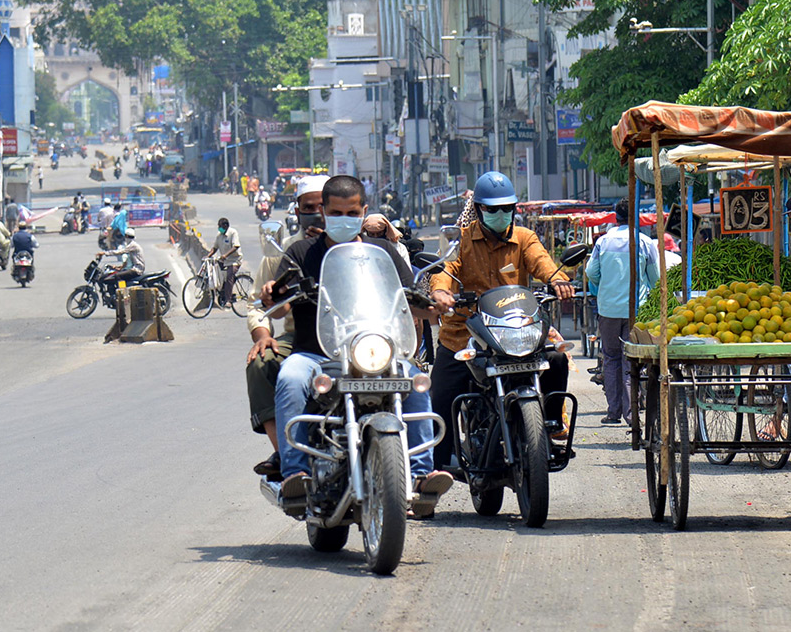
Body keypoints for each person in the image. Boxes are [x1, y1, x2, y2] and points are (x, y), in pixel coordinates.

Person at [262, 175, 451, 514]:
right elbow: (279, 305)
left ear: (363, 211)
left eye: (352, 212)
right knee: (289, 378)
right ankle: (296, 475)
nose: (344, 219)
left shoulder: (382, 251)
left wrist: (434, 300)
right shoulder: (301, 252)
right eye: (336, 212)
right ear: (323, 212)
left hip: (374, 351)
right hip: (316, 355)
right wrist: (273, 295)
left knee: (417, 380)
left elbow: (412, 300)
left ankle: (421, 475)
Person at [429, 171, 576, 471]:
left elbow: (542, 262)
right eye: (493, 209)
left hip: (516, 331)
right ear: (480, 209)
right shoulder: (462, 240)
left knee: (557, 359)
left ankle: (547, 425)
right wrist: (442, 291)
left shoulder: (524, 238)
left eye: (506, 208)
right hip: (466, 335)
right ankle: (433, 472)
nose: (500, 214)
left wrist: (557, 280)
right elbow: (445, 268)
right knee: (440, 397)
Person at [245, 175, 328, 481]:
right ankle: (286, 451)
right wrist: (263, 334)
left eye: (324, 206)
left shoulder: (358, 244)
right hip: (301, 337)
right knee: (261, 364)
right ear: (297, 210)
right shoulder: (286, 253)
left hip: (356, 339)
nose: (317, 213)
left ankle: (414, 463)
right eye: (309, 207)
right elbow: (262, 304)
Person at [584, 198, 659, 425]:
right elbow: (655, 277)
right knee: (632, 360)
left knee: (611, 358)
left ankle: (613, 411)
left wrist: (604, 285)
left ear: (615, 218)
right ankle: (632, 413)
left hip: (608, 309)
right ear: (635, 217)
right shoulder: (645, 242)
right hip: (637, 310)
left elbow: (591, 272)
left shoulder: (603, 242)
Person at [207, 218, 242, 305]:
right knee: (216, 271)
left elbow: (236, 246)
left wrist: (225, 255)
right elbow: (215, 248)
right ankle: (222, 291)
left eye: (220, 226)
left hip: (234, 260)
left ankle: (228, 300)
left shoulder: (233, 233)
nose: (219, 228)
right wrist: (208, 256)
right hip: (224, 260)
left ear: (225, 226)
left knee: (230, 275)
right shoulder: (219, 236)